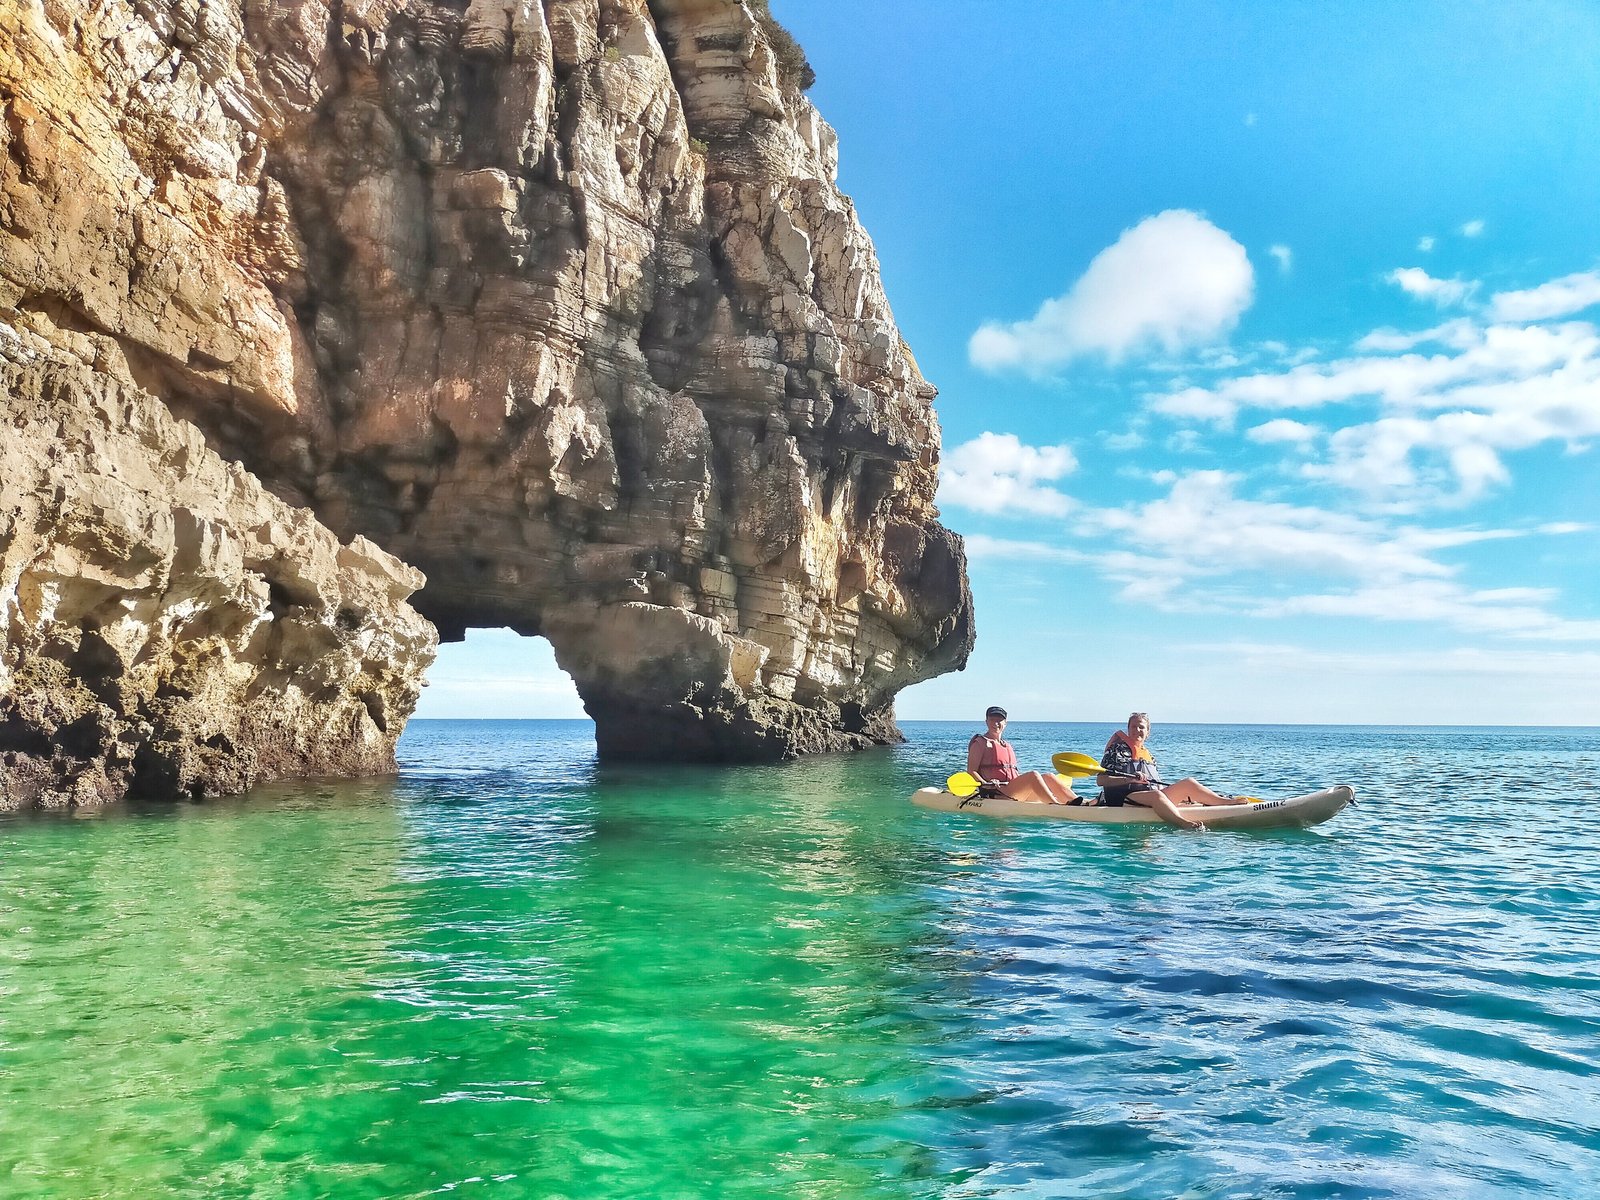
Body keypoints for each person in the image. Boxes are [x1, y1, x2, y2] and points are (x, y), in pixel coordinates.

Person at [1096, 712, 1235, 829]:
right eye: (1134, 726)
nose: (1137, 730)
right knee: (1156, 795)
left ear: (1147, 733)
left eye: (1141, 727)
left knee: (1189, 783)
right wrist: (1129, 779)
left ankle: (1224, 802)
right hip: (1124, 799)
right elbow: (1100, 780)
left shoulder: (1148, 755)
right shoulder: (1117, 749)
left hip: (1148, 796)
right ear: (1128, 729)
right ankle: (1184, 824)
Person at [968, 706, 1078, 805]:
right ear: (986, 721)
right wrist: (985, 783)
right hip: (998, 792)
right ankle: (1055, 806)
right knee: (1033, 775)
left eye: (999, 720)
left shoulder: (1006, 745)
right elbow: (971, 771)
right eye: (992, 720)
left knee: (1048, 776)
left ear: (1005, 723)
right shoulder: (980, 743)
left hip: (1014, 791)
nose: (995, 723)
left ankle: (1078, 803)